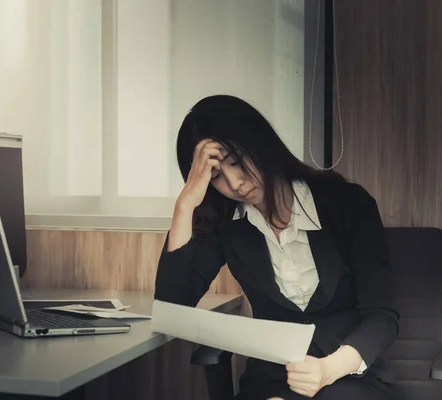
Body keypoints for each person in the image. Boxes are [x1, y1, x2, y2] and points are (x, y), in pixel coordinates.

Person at [154, 95, 399, 399]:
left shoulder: (347, 204)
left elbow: (382, 317)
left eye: (237, 161)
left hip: (349, 374)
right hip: (273, 380)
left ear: (260, 143)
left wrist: (328, 369)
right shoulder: (227, 225)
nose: (236, 183)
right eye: (217, 176)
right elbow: (172, 307)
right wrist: (186, 203)